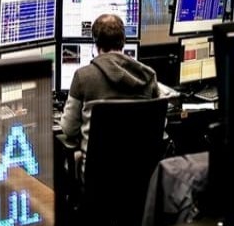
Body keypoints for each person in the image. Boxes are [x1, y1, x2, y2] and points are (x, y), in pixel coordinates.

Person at [59, 13, 160, 178]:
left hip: (96, 178)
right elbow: (160, 125)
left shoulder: (83, 77)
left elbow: (69, 129)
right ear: (124, 41)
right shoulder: (148, 75)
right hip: (140, 178)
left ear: (96, 43)